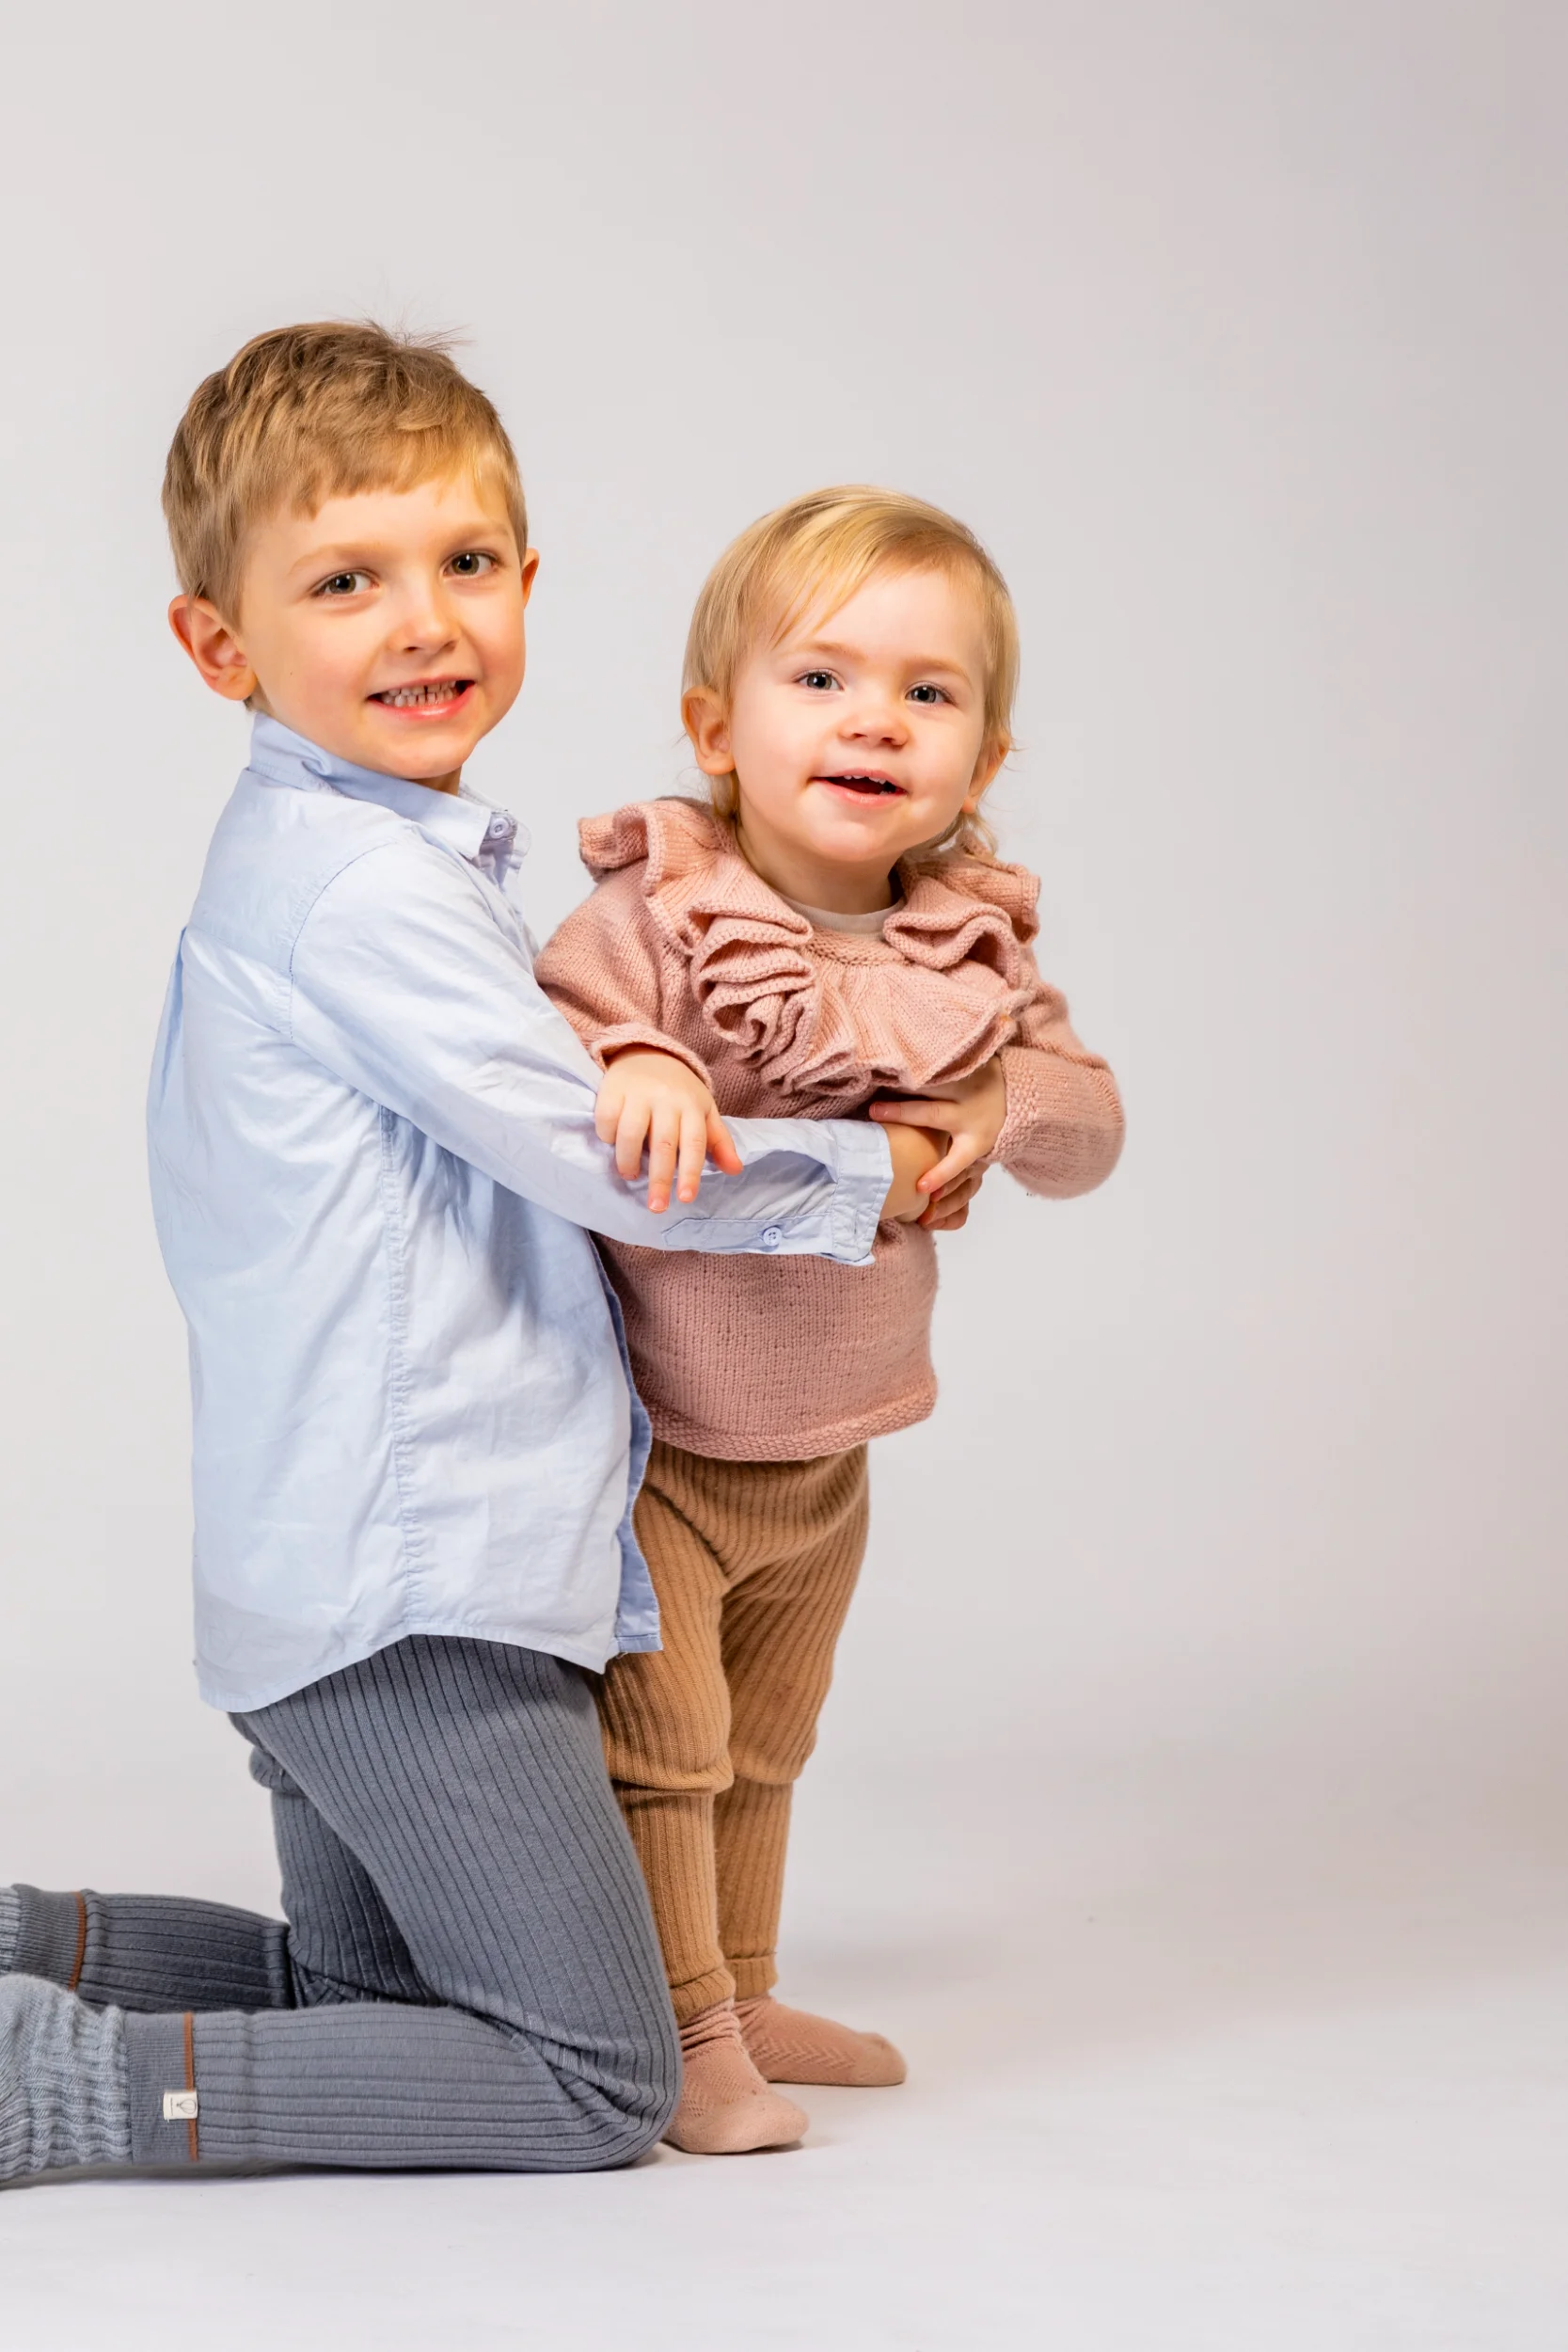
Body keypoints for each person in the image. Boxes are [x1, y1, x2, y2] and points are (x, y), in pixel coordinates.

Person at [0, 333, 944, 2185]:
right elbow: (614, 1164)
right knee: (591, 2074)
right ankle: (63, 2090)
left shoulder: (377, 857)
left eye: (462, 564)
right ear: (222, 646)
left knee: (371, 1982)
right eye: (344, 579)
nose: (422, 620)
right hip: (417, 1589)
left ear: (524, 585)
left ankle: (46, 1943)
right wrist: (890, 1163)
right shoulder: (358, 892)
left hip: (345, 1570)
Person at [536, 485, 1125, 2153]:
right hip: (660, 1440)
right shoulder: (659, 916)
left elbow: (1088, 1127)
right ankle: (683, 2036)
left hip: (832, 1444)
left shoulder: (965, 944)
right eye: (821, 679)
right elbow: (536, 1057)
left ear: (981, 761)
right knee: (672, 1749)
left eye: (928, 694)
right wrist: (639, 1055)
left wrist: (973, 1117)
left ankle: (748, 1979)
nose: (875, 718)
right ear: (714, 725)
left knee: (772, 1744)